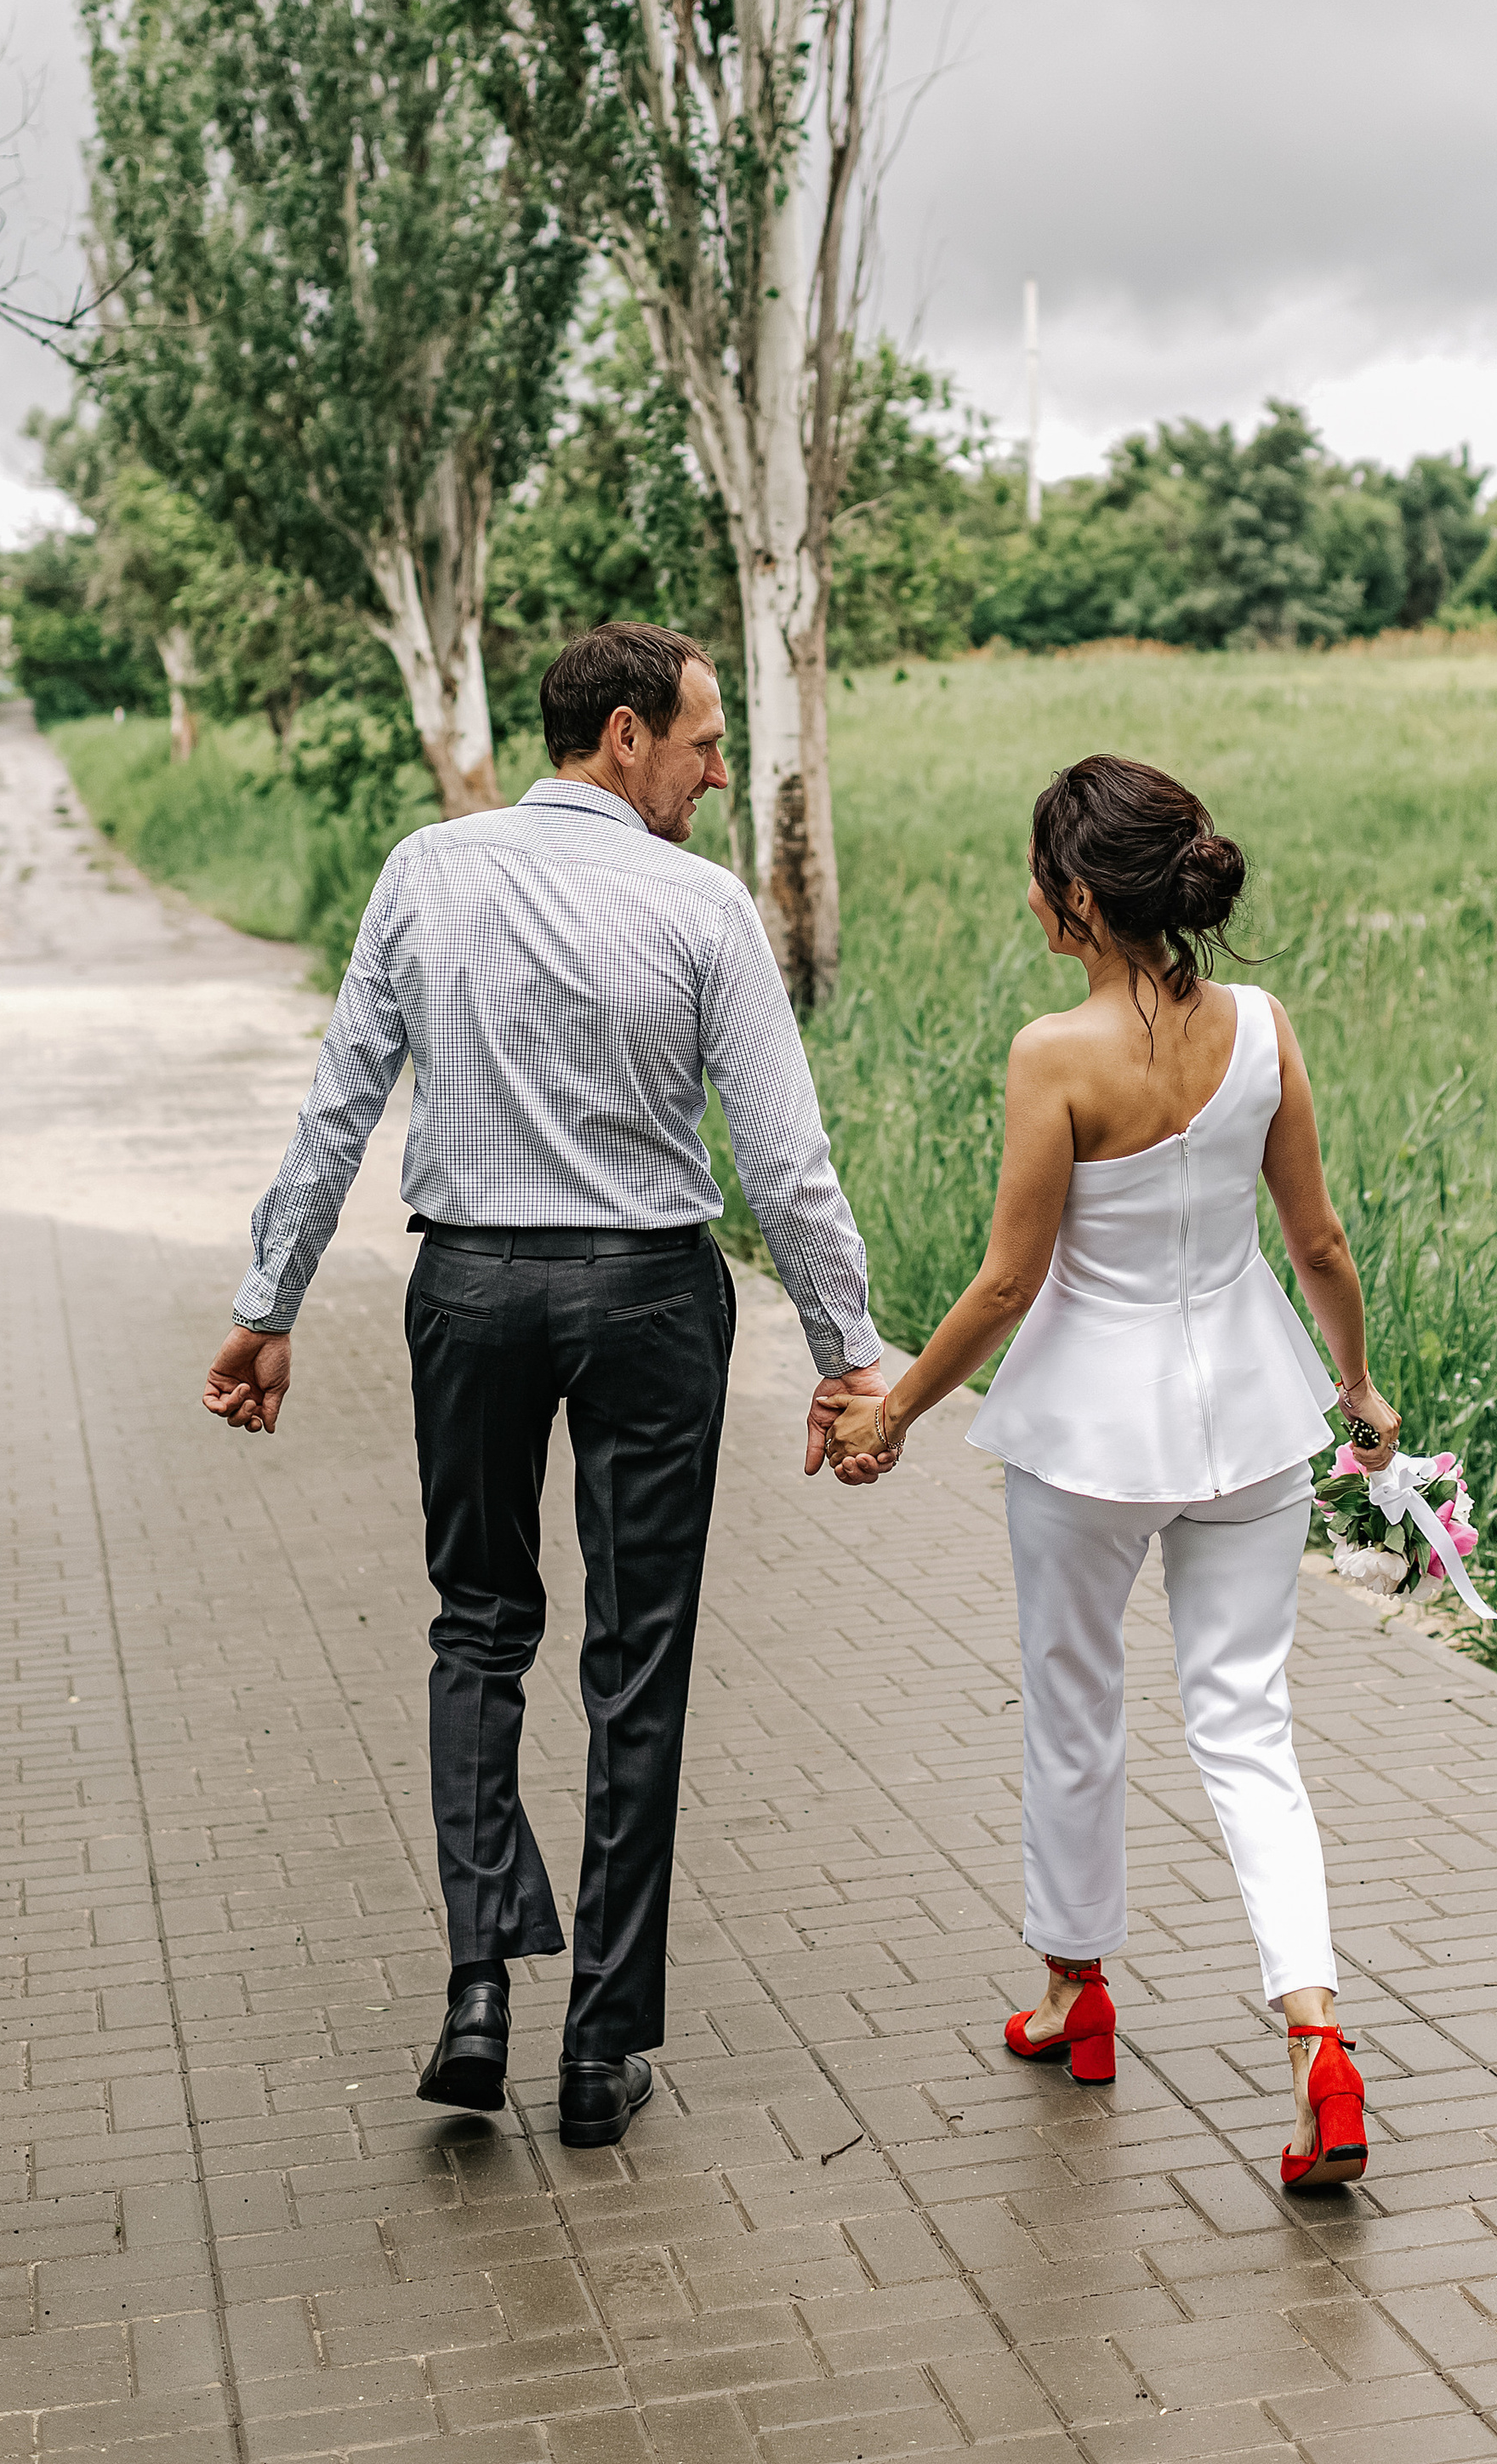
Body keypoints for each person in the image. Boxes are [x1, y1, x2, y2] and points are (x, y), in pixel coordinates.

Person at [202, 624, 891, 2148]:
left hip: (473, 1294)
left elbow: (339, 1108)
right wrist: (853, 1357)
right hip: (650, 1299)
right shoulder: (702, 906)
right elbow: (783, 1161)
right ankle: (599, 2050)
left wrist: (271, 1299)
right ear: (628, 735)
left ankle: (473, 1988)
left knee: (478, 1628)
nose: (721, 773)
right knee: (637, 1664)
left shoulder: (425, 872)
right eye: (707, 744)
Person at [823, 752, 1400, 2189]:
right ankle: (1316, 2037)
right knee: (1247, 1721)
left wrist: (891, 1411)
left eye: (1041, 874)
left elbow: (1010, 1282)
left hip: (1091, 1429)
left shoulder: (1051, 1054)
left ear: (1078, 899)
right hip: (1256, 1416)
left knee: (1075, 1705)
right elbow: (1317, 1242)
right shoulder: (1263, 1026)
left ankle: (1079, 1991)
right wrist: (1358, 1384)